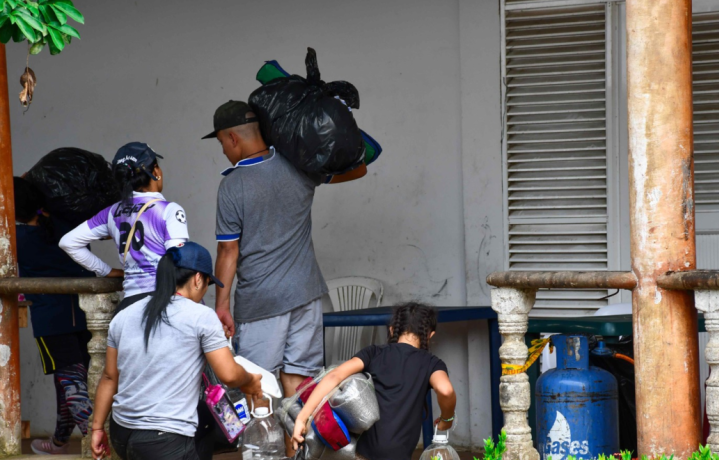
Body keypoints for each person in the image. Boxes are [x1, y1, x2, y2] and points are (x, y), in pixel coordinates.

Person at [203, 101, 366, 418]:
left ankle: (263, 451)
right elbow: (359, 168)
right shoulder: (299, 166)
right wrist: (343, 128)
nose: (223, 150)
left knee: (256, 382)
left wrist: (221, 305)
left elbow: (228, 251)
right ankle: (298, 449)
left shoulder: (233, 186)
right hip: (306, 293)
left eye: (222, 142)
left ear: (232, 138)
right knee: (300, 379)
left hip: (261, 302)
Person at [90, 241, 263, 460]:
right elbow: (228, 375)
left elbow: (109, 377)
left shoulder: (124, 315)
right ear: (198, 278)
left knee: (204, 416)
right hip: (164, 439)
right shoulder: (201, 315)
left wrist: (97, 429)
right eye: (208, 283)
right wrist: (250, 381)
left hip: (122, 433)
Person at [291, 303, 456, 460]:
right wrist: (445, 421)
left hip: (361, 452)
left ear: (392, 330)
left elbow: (334, 376)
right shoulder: (431, 363)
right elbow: (446, 390)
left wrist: (302, 418)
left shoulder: (374, 353)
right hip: (397, 454)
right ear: (429, 334)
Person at [14, 177, 95, 455]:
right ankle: (60, 441)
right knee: (72, 382)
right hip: (83, 315)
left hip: (51, 320)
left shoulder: (18, 239)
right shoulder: (64, 226)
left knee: (71, 386)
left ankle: (99, 442)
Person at [60, 142, 189, 310]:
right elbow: (179, 261)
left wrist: (106, 271)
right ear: (156, 171)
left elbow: (68, 242)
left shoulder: (111, 212)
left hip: (131, 304)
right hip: (165, 302)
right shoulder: (169, 210)